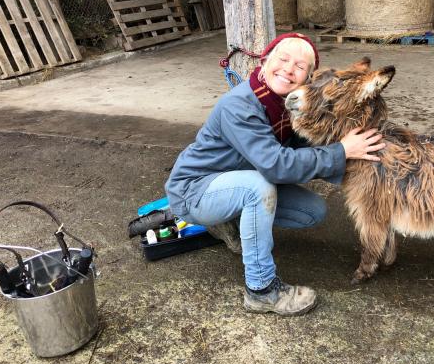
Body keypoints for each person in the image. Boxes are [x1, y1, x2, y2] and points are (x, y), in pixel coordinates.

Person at [165, 32, 385, 316]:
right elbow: (277, 166)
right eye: (283, 59)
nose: (289, 69)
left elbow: (307, 149)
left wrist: (366, 162)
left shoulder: (284, 106)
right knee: (257, 188)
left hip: (236, 180)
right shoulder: (240, 105)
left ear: (307, 78)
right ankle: (262, 290)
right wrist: (342, 152)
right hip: (193, 190)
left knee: (312, 211)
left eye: (300, 66)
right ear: (266, 60)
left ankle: (228, 221)